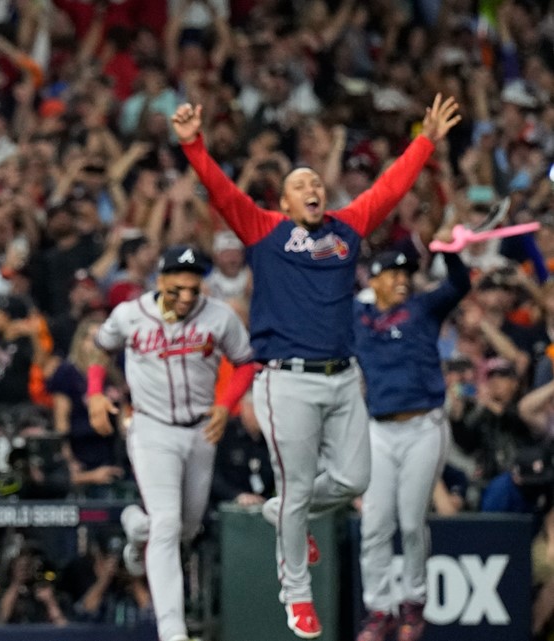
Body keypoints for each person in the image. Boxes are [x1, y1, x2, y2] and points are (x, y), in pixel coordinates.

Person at [171, 94, 462, 639]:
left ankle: (287, 511)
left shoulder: (347, 229)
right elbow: (220, 190)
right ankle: (297, 594)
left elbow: (390, 188)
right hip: (286, 379)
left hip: (344, 376)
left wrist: (425, 140)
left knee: (356, 477)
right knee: (301, 487)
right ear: (283, 200)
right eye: (301, 184)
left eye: (317, 184)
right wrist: (193, 143)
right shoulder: (262, 229)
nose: (313, 189)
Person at [89, 245, 256, 641]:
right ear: (160, 281)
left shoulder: (219, 315)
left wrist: (226, 404)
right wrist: (96, 392)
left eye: (192, 289)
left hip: (201, 429)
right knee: (168, 524)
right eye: (176, 288)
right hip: (151, 428)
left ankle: (136, 526)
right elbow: (98, 347)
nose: (184, 297)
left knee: (183, 528)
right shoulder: (131, 314)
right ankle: (172, 632)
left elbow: (247, 361)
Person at [353, 249, 470, 641]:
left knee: (409, 521)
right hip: (379, 429)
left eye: (406, 273)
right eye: (393, 273)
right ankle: (378, 608)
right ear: (373, 280)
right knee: (374, 525)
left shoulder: (423, 307)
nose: (402, 279)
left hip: (424, 425)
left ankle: (413, 601)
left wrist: (451, 254)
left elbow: (459, 285)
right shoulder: (357, 316)